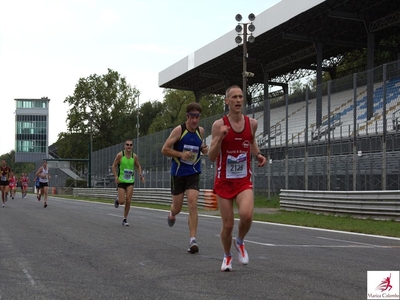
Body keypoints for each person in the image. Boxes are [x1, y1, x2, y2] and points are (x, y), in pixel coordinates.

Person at [208, 85, 267, 271]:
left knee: (247, 215)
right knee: (227, 225)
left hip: (243, 180)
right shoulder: (219, 125)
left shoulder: (252, 124)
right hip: (224, 181)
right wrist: (220, 138)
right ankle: (227, 256)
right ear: (227, 101)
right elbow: (211, 155)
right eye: (234, 97)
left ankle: (240, 241)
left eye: (241, 96)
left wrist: (258, 154)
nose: (238, 100)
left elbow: (250, 141)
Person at [161, 102, 209, 253]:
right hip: (178, 173)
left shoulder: (200, 131)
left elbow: (200, 146)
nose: (195, 120)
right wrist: (181, 154)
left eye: (197, 117)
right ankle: (171, 213)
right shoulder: (179, 130)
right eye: (192, 117)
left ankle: (192, 240)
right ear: (187, 117)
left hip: (194, 172)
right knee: (177, 208)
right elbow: (164, 149)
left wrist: (204, 149)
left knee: (193, 203)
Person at [112, 139, 145, 226]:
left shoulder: (134, 157)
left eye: (130, 145)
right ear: (125, 146)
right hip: (121, 180)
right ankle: (118, 199)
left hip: (130, 181)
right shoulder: (120, 155)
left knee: (128, 200)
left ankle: (125, 219)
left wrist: (141, 175)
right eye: (127, 145)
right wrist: (116, 177)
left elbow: (138, 166)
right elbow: (113, 166)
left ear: (132, 146)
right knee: (122, 201)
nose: (129, 146)